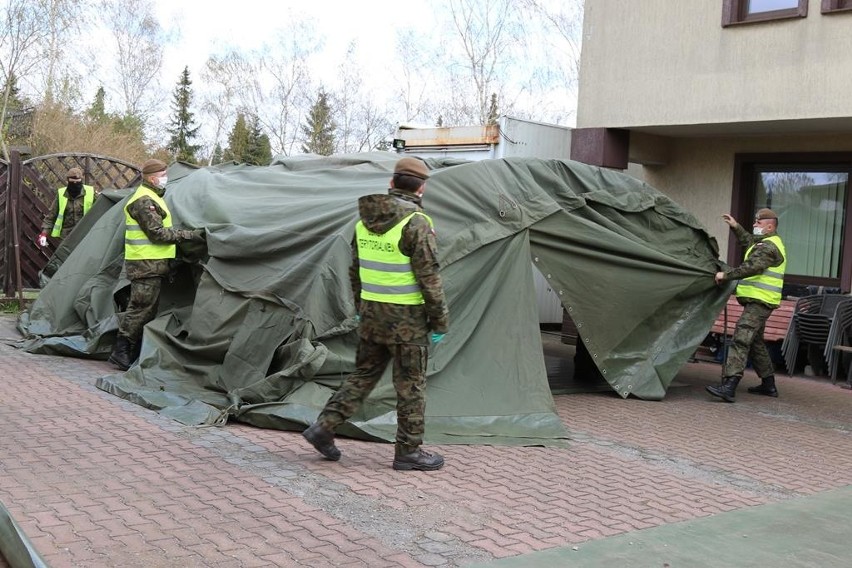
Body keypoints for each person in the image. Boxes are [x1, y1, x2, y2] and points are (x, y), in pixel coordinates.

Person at [303, 157, 450, 471]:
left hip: (372, 317)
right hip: (408, 322)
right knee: (411, 386)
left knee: (363, 376)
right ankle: (408, 452)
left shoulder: (361, 222)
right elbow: (430, 278)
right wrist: (439, 321)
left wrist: (360, 310)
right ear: (422, 188)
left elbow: (354, 272)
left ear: (391, 183)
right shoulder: (417, 223)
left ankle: (324, 427)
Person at [108, 159, 205, 371]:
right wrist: (189, 235)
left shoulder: (151, 197)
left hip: (151, 264)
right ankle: (121, 351)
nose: (165, 178)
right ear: (152, 178)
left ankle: (128, 351)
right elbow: (157, 233)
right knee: (141, 309)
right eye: (163, 174)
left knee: (145, 309)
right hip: (145, 265)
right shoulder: (144, 200)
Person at [706, 208, 786, 402]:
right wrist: (736, 227)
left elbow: (751, 267)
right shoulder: (765, 243)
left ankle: (729, 385)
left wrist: (725, 276)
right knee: (756, 342)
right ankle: (769, 385)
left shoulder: (769, 247)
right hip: (760, 301)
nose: (754, 226)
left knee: (741, 338)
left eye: (758, 223)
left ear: (769, 226)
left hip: (760, 301)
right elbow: (749, 242)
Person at [37, 167, 97, 246]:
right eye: (72, 182)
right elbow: (51, 216)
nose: (75, 184)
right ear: (67, 181)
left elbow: (102, 209)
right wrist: (43, 234)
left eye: (78, 182)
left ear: (81, 180)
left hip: (85, 236)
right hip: (65, 238)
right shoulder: (61, 194)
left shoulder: (90, 193)